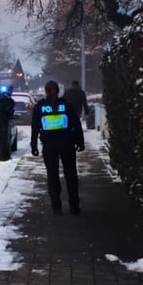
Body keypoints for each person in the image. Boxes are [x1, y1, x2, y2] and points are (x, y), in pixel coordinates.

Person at [31, 80, 85, 215]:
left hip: (49, 146)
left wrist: (34, 145)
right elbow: (76, 124)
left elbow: (35, 128)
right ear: (58, 91)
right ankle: (74, 206)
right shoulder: (66, 105)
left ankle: (56, 207)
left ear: (45, 91)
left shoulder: (40, 107)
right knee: (71, 175)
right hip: (67, 144)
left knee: (52, 176)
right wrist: (80, 141)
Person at [0, 84, 16, 161]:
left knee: (0, 139)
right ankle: (4, 156)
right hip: (5, 122)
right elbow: (10, 111)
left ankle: (0, 155)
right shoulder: (10, 101)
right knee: (5, 139)